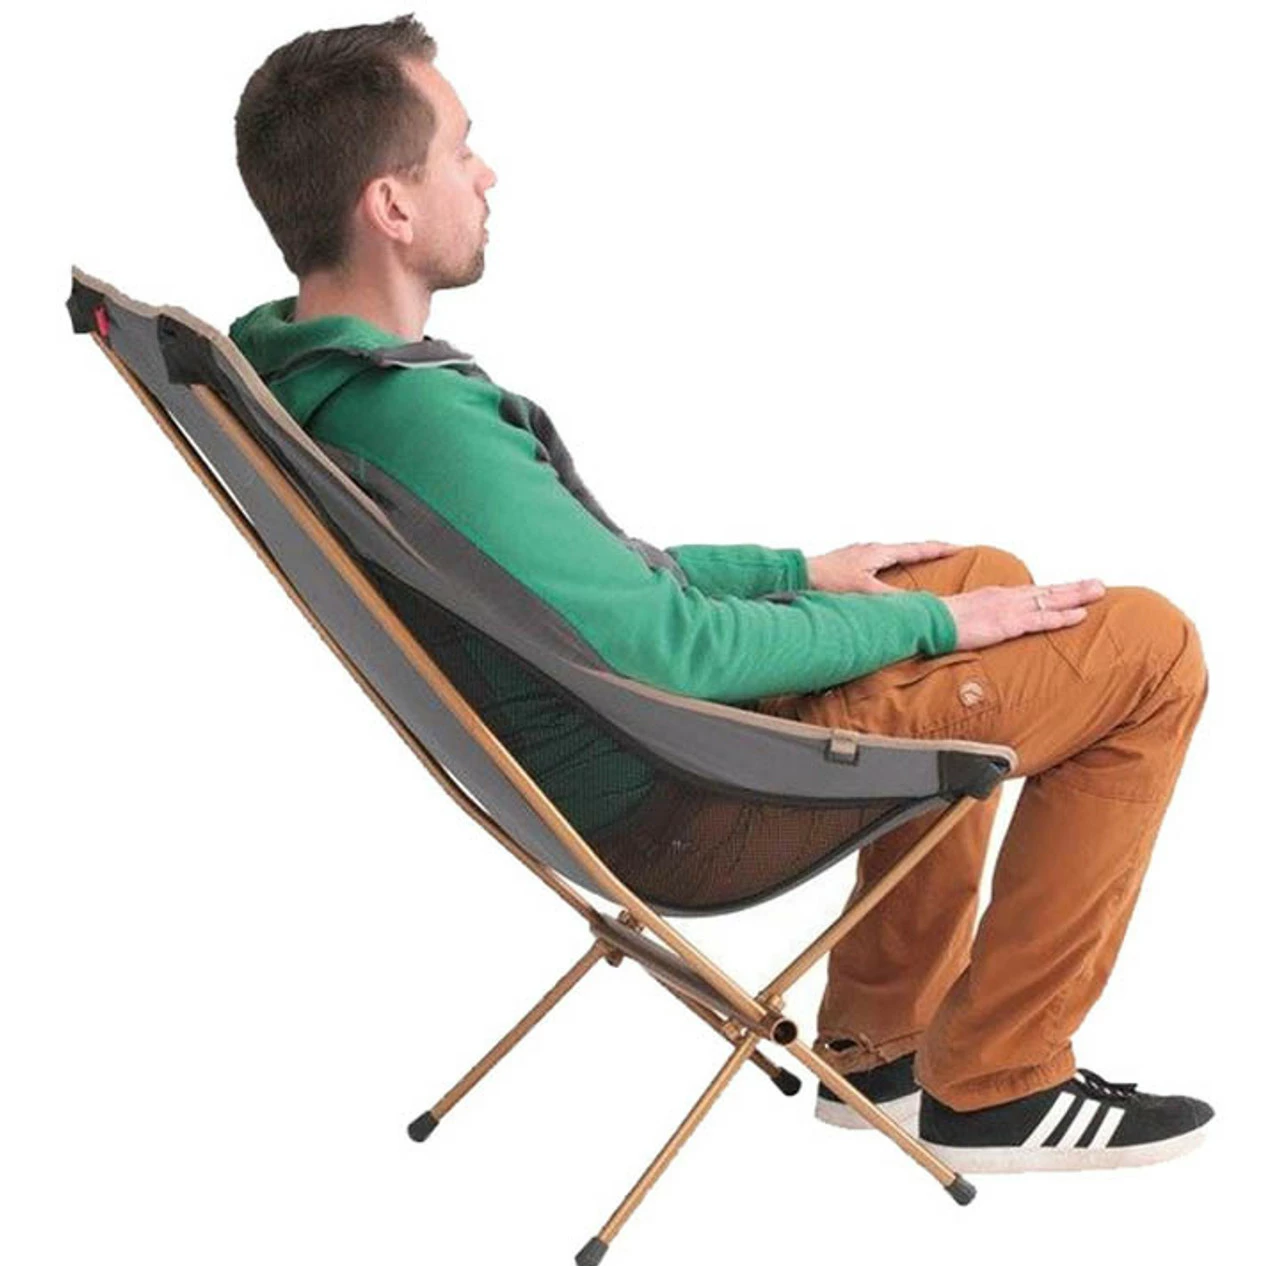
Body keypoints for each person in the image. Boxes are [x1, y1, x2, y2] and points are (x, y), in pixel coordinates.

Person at [229, 14, 1212, 1174]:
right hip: (685, 783)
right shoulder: (417, 417)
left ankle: (880, 1037)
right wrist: (932, 624)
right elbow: (670, 651)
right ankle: (999, 1081)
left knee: (980, 569)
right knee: (1147, 649)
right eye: (460, 148)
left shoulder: (304, 372)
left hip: (608, 747)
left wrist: (798, 573)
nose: (486, 174)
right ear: (390, 206)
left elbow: (587, 578)